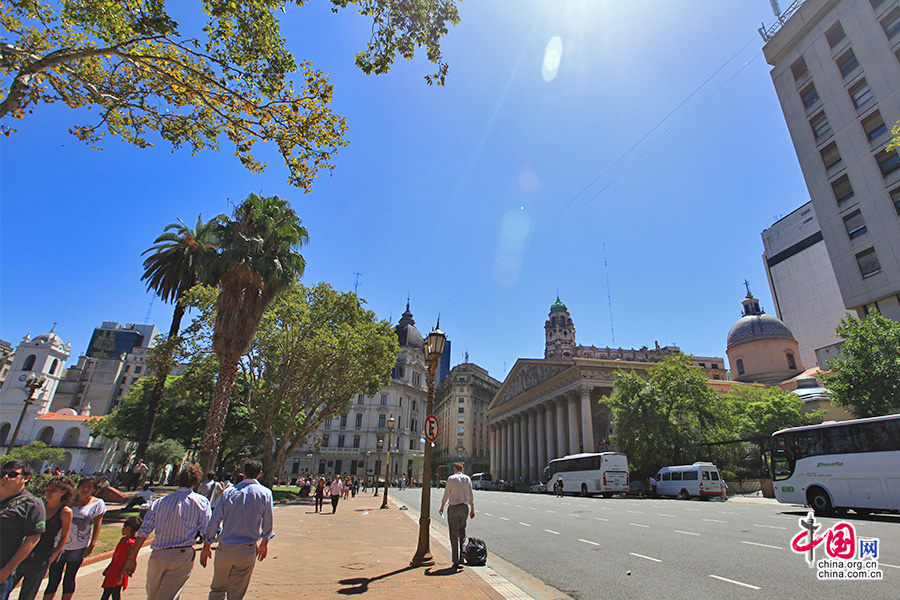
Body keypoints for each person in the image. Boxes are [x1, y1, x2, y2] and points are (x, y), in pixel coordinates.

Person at [123, 464, 211, 600]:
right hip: (182, 554)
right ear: (196, 482)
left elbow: (144, 531)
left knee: (153, 595)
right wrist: (206, 548)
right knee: (169, 595)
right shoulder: (201, 502)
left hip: (158, 554)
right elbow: (206, 529)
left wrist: (132, 557)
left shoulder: (160, 502)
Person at [200, 460, 274, 600]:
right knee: (236, 593)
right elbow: (268, 523)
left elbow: (214, 521)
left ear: (243, 472)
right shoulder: (265, 493)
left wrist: (207, 545)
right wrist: (264, 543)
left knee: (217, 589)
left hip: (225, 547)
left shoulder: (229, 493)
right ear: (260, 474)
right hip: (247, 549)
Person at [43, 478, 105, 600]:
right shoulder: (68, 501)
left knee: (69, 577)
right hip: (59, 544)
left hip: (78, 547)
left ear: (94, 490)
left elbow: (98, 524)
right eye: (83, 486)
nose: (85, 489)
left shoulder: (97, 503)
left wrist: (92, 544)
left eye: (89, 487)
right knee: (54, 578)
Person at [12, 476, 74, 600]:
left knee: (28, 594)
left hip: (41, 557)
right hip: (22, 553)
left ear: (64, 492)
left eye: (53, 490)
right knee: (6, 586)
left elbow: (64, 537)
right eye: (48, 490)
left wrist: (53, 557)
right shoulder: (37, 506)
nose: (48, 493)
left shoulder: (65, 512)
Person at [0, 461, 46, 600]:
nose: (6, 477)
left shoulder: (32, 504)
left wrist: (6, 571)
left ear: (26, 478)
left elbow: (32, 539)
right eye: (3, 474)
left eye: (13, 474)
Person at [438, 463, 475, 569]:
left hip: (453, 508)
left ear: (455, 469)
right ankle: (462, 551)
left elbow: (446, 494)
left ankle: (455, 559)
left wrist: (442, 506)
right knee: (462, 531)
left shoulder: (451, 478)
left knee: (453, 533)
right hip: (464, 507)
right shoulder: (467, 478)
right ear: (462, 469)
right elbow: (471, 494)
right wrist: (472, 509)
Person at [100, 516, 142, 600]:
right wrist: (108, 568)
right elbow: (115, 556)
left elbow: (128, 559)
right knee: (107, 591)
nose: (122, 529)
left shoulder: (131, 543)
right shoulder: (123, 539)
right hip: (113, 569)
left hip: (120, 570)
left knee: (115, 593)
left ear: (129, 528)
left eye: (124, 527)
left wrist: (121, 575)